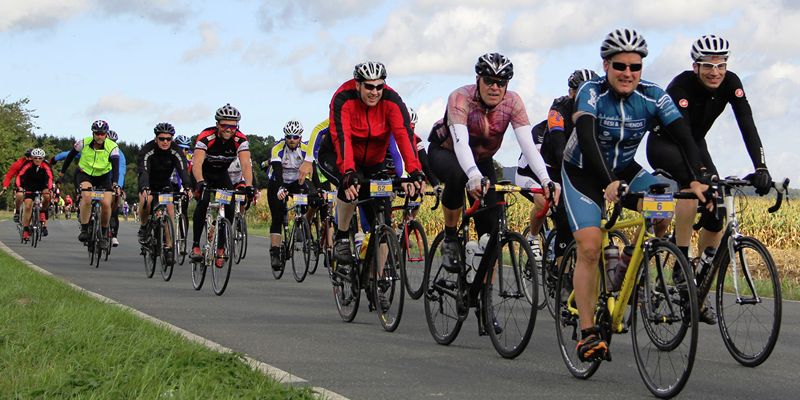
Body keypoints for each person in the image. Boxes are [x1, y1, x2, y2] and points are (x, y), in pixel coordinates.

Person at [563, 28, 709, 362]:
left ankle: (628, 260)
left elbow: (684, 136)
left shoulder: (654, 95)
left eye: (635, 66)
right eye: (620, 66)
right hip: (583, 171)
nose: (628, 73)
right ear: (606, 65)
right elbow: (586, 137)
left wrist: (698, 178)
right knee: (589, 246)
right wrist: (608, 182)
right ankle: (587, 334)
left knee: (664, 202)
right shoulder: (590, 92)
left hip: (626, 169)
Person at [646, 35, 773, 324]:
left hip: (696, 144)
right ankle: (680, 261)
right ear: (695, 66)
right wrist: (699, 175)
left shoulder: (731, 82)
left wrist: (761, 166)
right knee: (694, 188)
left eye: (721, 65)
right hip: (666, 144)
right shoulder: (681, 86)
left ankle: (700, 277)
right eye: (707, 66)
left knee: (718, 209)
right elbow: (683, 134)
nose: (715, 72)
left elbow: (747, 123)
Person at [427, 52, 557, 273]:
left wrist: (545, 180)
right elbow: (461, 143)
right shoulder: (460, 97)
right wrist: (473, 175)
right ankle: (450, 238)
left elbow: (527, 144)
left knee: (492, 228)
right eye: (489, 80)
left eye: (501, 82)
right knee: (458, 176)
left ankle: (482, 296)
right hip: (447, 152)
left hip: (483, 159)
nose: (495, 87)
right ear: (478, 79)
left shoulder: (513, 102)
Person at [317, 61, 424, 266]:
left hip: (374, 161)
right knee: (349, 186)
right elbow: (342, 138)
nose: (375, 92)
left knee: (382, 221)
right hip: (337, 154)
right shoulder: (342, 98)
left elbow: (403, 135)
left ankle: (379, 280)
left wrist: (414, 171)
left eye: (379, 86)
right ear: (358, 85)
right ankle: (341, 237)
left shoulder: (392, 100)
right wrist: (348, 171)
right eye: (369, 86)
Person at [516, 69, 598, 262]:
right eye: (582, 91)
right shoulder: (557, 112)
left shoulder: (597, 112)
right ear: (571, 92)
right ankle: (534, 237)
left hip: (564, 170)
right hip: (535, 171)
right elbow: (561, 151)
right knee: (547, 202)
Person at [190, 104, 255, 267]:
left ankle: (220, 248)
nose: (229, 129)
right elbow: (196, 163)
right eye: (225, 125)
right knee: (203, 201)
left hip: (221, 174)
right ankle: (196, 245)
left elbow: (246, 164)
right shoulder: (206, 136)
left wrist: (249, 186)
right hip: (202, 173)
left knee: (231, 205)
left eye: (233, 126)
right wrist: (199, 182)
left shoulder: (240, 139)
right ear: (217, 124)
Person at [58, 120, 122, 248]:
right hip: (86, 173)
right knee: (86, 197)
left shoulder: (113, 147)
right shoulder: (83, 142)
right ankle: (85, 228)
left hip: (104, 175)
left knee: (106, 203)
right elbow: (70, 156)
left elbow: (116, 167)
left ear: (106, 134)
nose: (99, 136)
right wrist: (62, 173)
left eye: (102, 134)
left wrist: (115, 183)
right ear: (93, 133)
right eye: (97, 133)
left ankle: (104, 234)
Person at [136, 122, 191, 266]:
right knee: (146, 199)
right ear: (156, 139)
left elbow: (182, 170)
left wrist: (187, 187)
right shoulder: (147, 149)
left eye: (168, 139)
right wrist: (145, 187)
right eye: (162, 139)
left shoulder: (176, 150)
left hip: (164, 183)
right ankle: (143, 227)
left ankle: (169, 247)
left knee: (170, 209)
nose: (165, 142)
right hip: (148, 181)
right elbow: (143, 170)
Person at [266, 120, 309, 270]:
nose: (292, 139)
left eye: (295, 137)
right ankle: (276, 252)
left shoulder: (305, 149)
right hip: (277, 181)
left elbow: (312, 171)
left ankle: (300, 225)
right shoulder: (277, 148)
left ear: (300, 138)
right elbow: (277, 171)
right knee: (277, 216)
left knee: (310, 197)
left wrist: (315, 191)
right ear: (285, 136)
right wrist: (281, 188)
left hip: (296, 181)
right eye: (289, 136)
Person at [16, 148, 54, 240]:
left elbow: (50, 178)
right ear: (32, 158)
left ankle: (42, 212)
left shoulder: (46, 165)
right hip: (29, 186)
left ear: (43, 158)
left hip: (42, 185)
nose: (37, 160)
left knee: (47, 196)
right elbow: (19, 176)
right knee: (28, 206)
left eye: (40, 158)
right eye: (35, 158)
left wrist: (49, 189)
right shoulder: (27, 165)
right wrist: (19, 187)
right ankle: (25, 230)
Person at [106, 130, 127, 247]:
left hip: (114, 181)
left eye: (113, 142)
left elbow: (121, 171)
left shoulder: (119, 154)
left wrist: (118, 185)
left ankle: (114, 235)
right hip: (99, 179)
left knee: (114, 210)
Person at [2, 149, 34, 223]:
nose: (29, 159)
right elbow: (9, 176)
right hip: (21, 183)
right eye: (27, 157)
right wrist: (5, 186)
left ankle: (37, 212)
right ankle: (17, 211)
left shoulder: (37, 163)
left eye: (31, 157)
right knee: (19, 195)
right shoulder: (18, 163)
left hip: (33, 183)